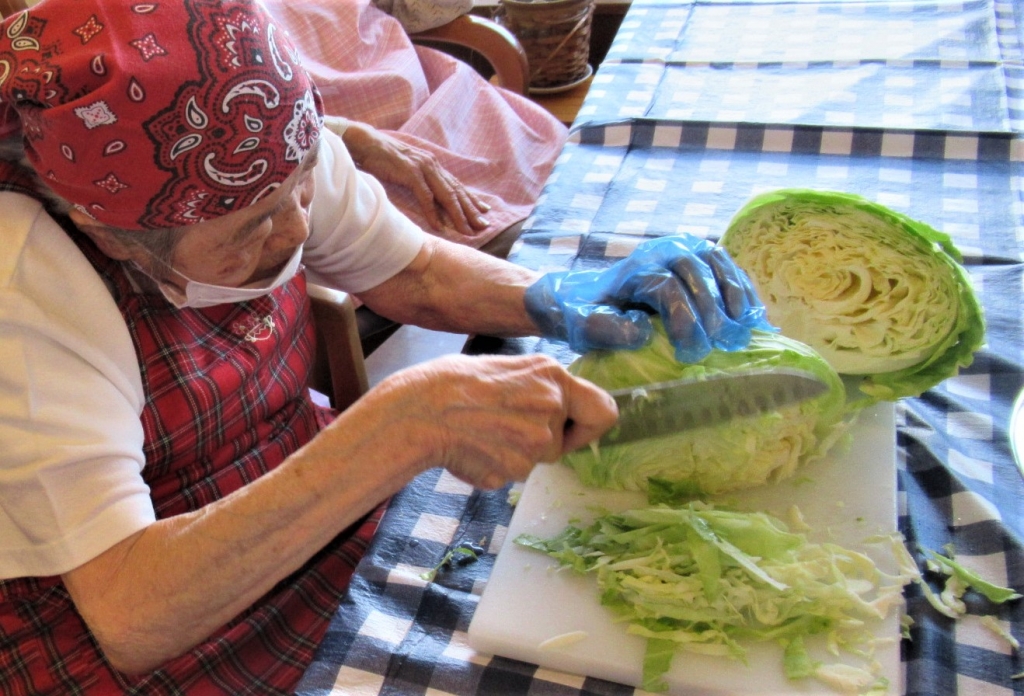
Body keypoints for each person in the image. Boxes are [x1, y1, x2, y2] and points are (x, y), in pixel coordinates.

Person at [0, 1, 770, 694]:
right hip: (129, 602)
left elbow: (415, 272)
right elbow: (131, 618)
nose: (298, 231)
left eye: (302, 188)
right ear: (109, 231)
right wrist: (402, 424)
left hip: (282, 488)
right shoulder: (25, 280)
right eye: (250, 232)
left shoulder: (254, 136)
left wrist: (561, 296)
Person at [265, 0, 569, 258]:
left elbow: (426, 9)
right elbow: (247, 120)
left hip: (441, 96)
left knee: (572, 183)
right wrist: (349, 136)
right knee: (536, 247)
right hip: (338, 141)